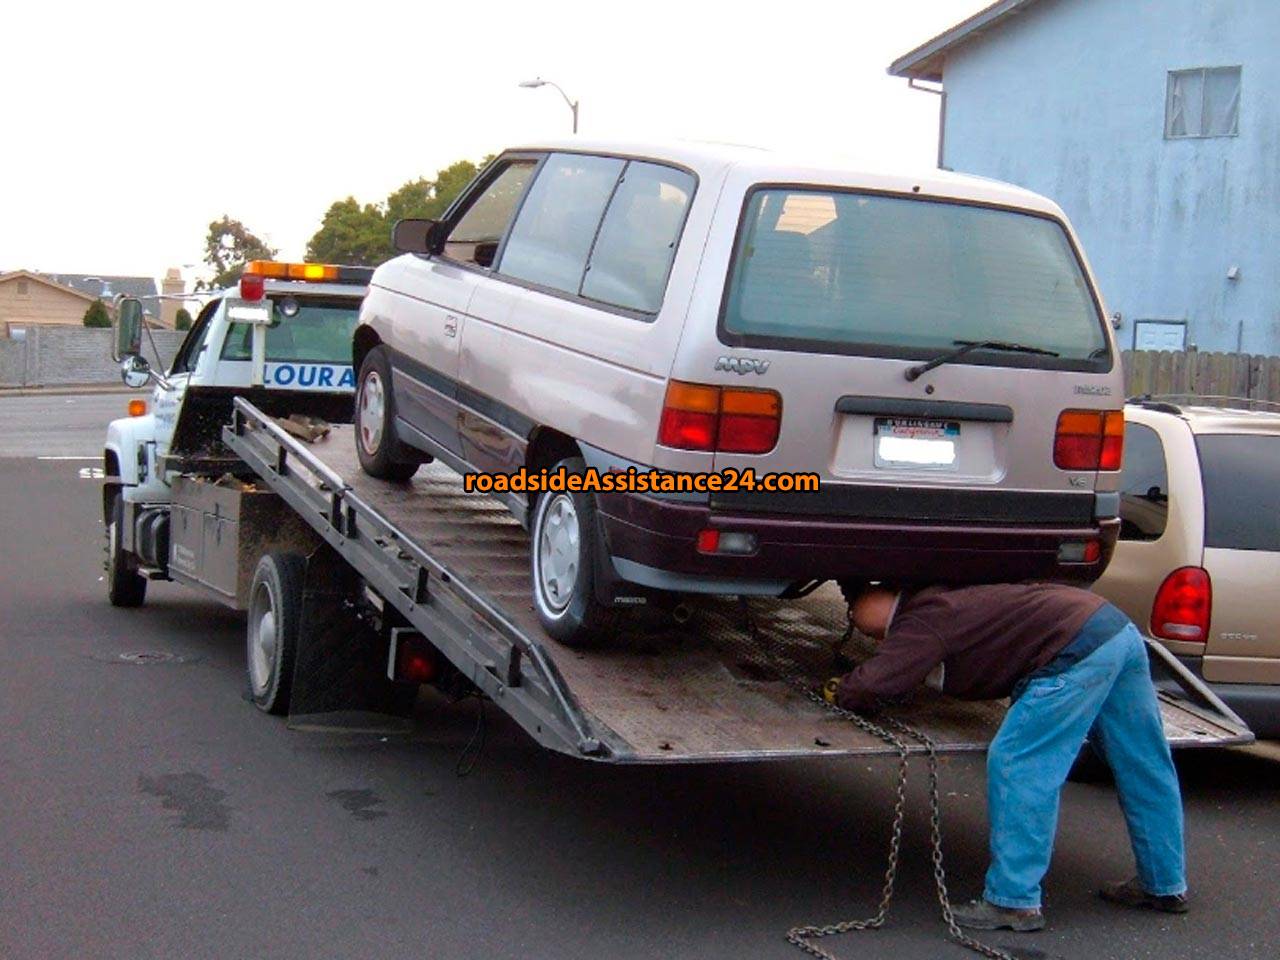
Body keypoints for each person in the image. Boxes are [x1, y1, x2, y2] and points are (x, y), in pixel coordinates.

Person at [831, 581, 1188, 932]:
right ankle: (1164, 883)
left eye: (864, 622)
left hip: (1073, 647)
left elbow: (873, 683)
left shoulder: (919, 620)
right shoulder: (944, 595)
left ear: (888, 601)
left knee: (1018, 763)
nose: (868, 633)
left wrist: (839, 691)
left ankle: (1013, 900)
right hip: (1115, 630)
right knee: (1144, 764)